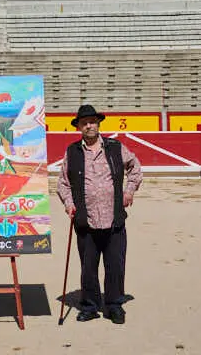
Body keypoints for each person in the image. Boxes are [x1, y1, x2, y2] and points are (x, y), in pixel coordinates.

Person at [56, 104, 143, 324]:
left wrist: (129, 191)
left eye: (92, 122)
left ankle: (114, 305)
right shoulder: (72, 152)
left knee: (115, 265)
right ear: (79, 127)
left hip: (114, 219)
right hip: (86, 220)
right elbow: (63, 184)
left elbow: (135, 168)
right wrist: (68, 204)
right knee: (88, 268)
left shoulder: (115, 147)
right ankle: (90, 306)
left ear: (98, 124)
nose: (89, 126)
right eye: (84, 123)